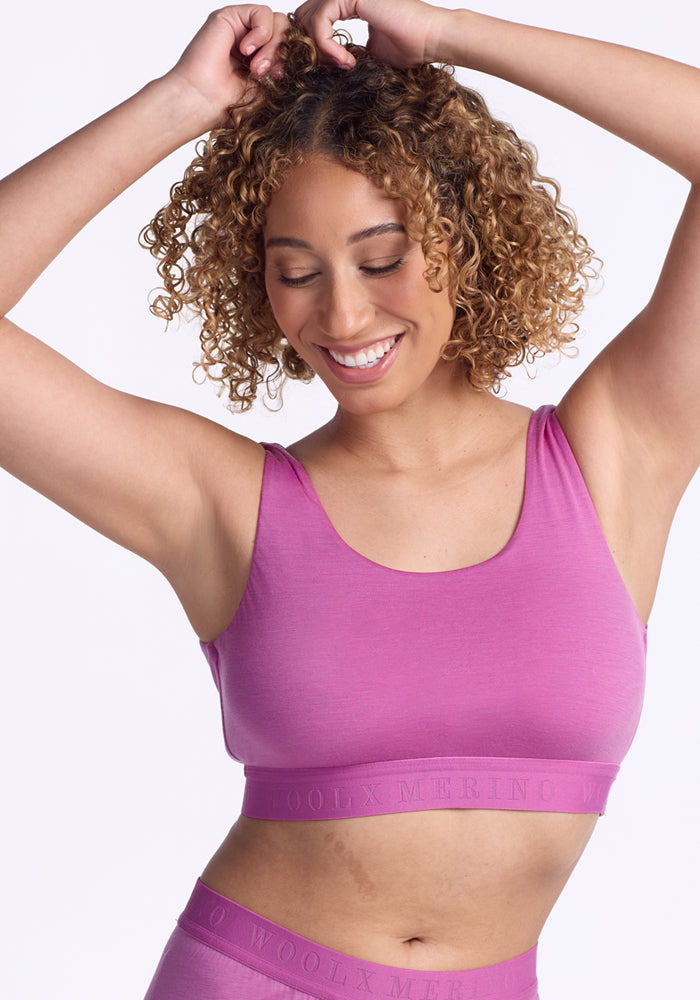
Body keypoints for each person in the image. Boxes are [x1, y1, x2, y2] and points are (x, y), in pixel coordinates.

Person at [1, 1, 698, 997]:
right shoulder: (225, 502)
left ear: (465, 236)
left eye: (382, 259)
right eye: (295, 273)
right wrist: (179, 104)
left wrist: (448, 34)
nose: (342, 314)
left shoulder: (612, 453)